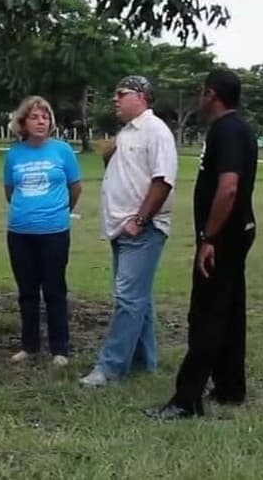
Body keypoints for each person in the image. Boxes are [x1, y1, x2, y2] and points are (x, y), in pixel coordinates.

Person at [147, 69, 258, 420]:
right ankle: (230, 387)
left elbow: (228, 187)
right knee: (230, 309)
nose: (199, 97)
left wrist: (208, 238)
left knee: (206, 314)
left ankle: (186, 400)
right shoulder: (239, 129)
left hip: (223, 236)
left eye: (201, 92)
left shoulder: (226, 131)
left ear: (212, 94)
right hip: (239, 229)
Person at [80, 75, 178, 387]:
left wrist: (140, 220)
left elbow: (163, 180)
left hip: (141, 229)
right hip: (121, 228)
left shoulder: (155, 130)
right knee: (139, 299)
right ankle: (144, 360)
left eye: (120, 94)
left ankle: (109, 368)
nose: (115, 100)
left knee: (128, 299)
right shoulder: (127, 132)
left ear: (141, 96)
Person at [3, 96, 82, 367]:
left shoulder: (63, 151)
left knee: (54, 289)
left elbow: (75, 187)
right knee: (27, 291)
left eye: (45, 117)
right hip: (20, 233)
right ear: (23, 122)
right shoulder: (14, 153)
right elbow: (9, 190)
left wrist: (59, 210)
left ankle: (60, 348)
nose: (41, 121)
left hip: (54, 232)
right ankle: (30, 345)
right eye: (35, 117)